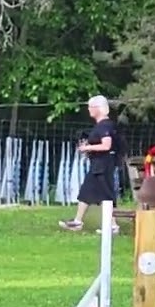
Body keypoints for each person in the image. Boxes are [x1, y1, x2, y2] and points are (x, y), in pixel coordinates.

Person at [60, 95, 117, 232]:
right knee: (86, 191)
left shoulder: (104, 125)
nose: (89, 109)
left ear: (98, 108)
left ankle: (113, 226)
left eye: (91, 107)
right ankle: (77, 221)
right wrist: (89, 150)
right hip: (98, 165)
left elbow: (106, 145)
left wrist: (88, 147)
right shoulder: (101, 126)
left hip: (103, 166)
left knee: (106, 195)